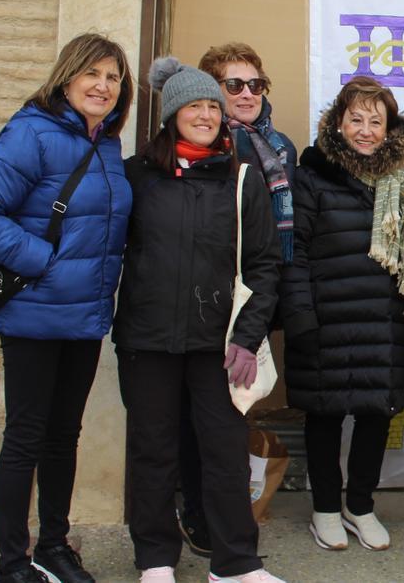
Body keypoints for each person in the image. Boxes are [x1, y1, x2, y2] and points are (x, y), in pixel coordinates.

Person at [0, 33, 134, 583]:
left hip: (82, 317)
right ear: (68, 76)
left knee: (63, 436)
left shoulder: (105, 145)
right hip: (33, 313)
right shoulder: (32, 132)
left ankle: (54, 546)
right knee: (26, 435)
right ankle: (12, 562)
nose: (103, 86)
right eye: (93, 73)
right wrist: (42, 261)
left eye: (114, 77)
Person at [112, 57, 284, 583]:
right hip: (148, 340)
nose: (207, 115)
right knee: (153, 451)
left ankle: (235, 563)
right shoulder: (136, 174)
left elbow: (264, 263)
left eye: (213, 105)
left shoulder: (242, 179)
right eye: (195, 105)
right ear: (172, 115)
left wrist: (247, 335)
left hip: (219, 343)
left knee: (225, 453)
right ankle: (156, 559)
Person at [281, 76, 404, 553]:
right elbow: (295, 251)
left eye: (376, 121)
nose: (365, 130)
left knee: (375, 415)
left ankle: (361, 505)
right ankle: (325, 508)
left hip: (383, 321)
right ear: (338, 122)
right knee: (325, 416)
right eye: (356, 119)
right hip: (326, 319)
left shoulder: (401, 180)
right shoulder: (312, 176)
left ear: (389, 129)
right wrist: (300, 315)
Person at [166, 43, 299, 557]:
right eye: (233, 85)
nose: (247, 95)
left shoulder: (278, 145)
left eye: (256, 85)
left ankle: (227, 513)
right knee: (200, 415)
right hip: (208, 299)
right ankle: (198, 513)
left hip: (257, 295)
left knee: (233, 410)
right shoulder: (206, 144)